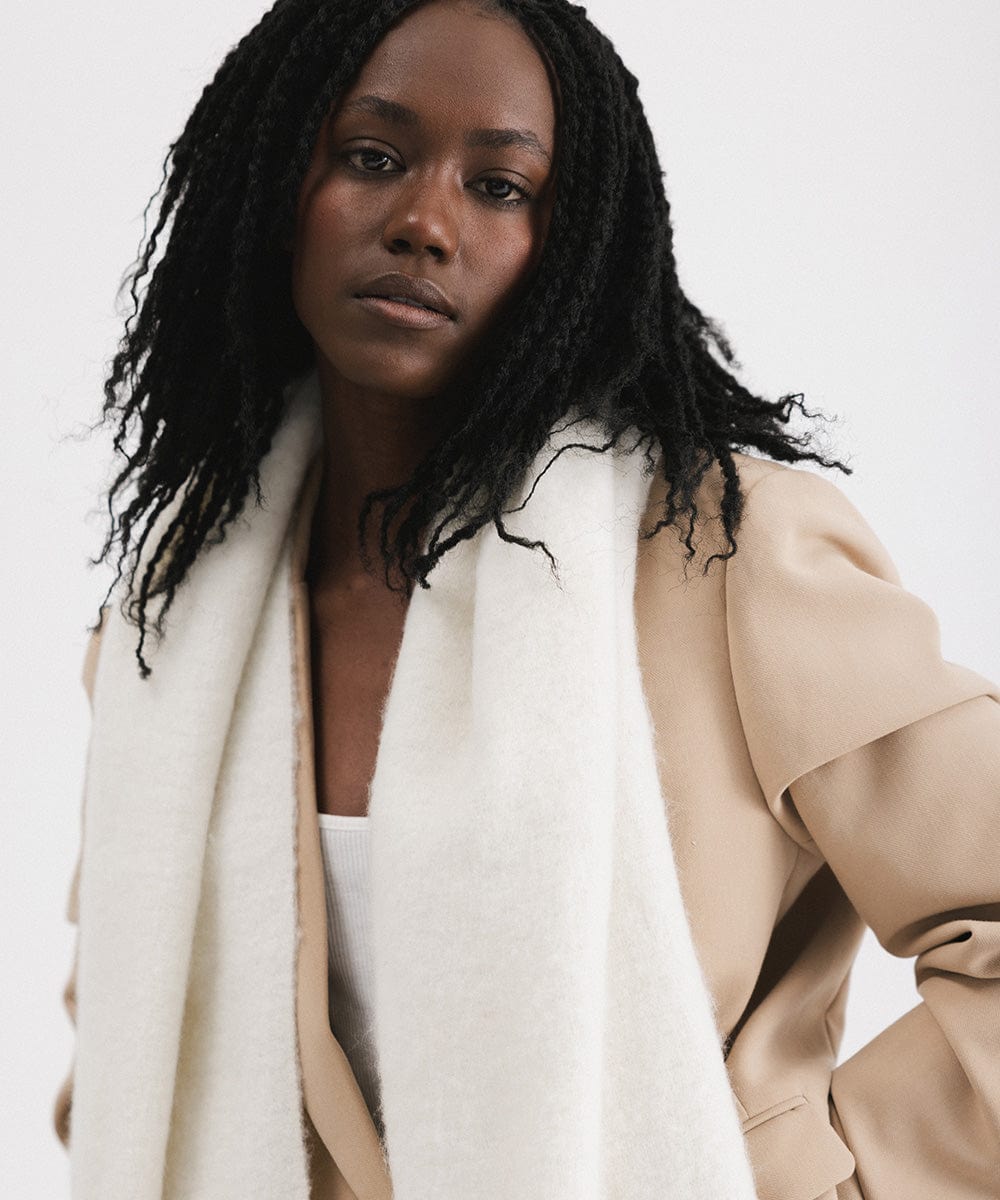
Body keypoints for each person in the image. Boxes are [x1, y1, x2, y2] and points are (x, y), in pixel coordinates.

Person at [55, 1, 1000, 1198]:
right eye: (371, 157)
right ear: (272, 180)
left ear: (575, 241)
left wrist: (825, 1182)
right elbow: (125, 1039)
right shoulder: (177, 624)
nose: (423, 222)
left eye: (499, 187)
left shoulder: (724, 559)